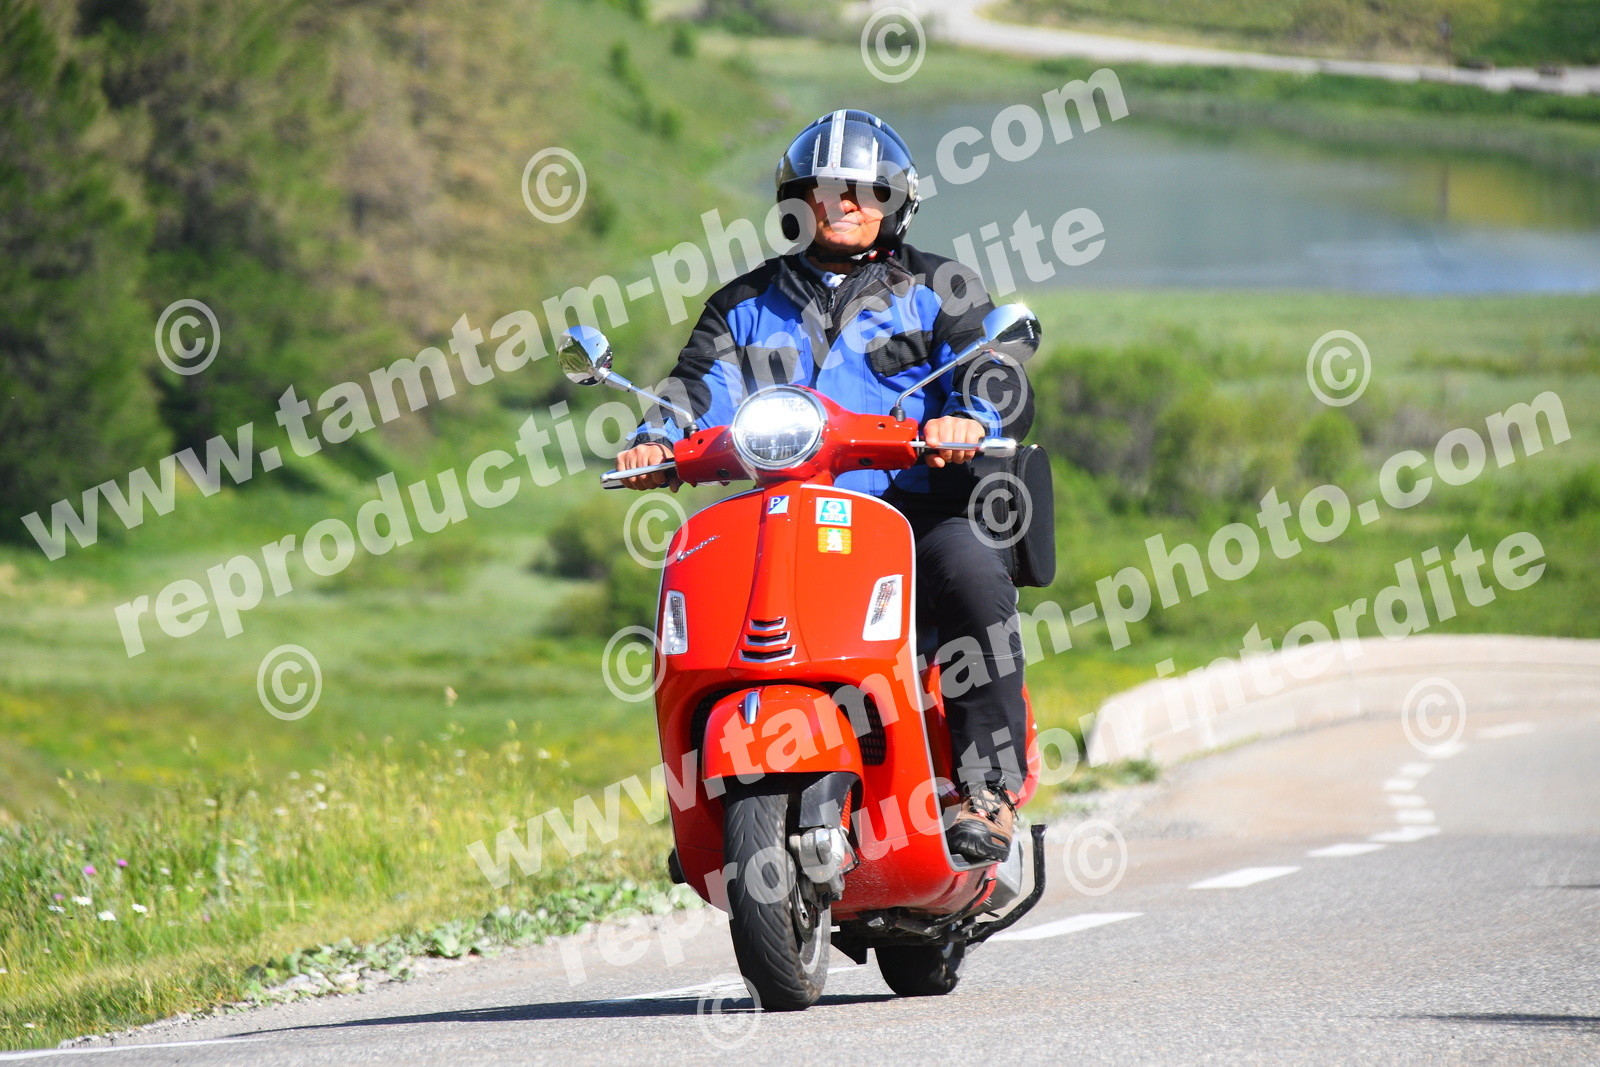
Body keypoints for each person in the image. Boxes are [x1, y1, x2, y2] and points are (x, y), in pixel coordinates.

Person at [615, 109, 1033, 864]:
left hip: (910, 511)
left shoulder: (942, 286)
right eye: (822, 189)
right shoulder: (743, 303)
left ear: (894, 201)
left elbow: (990, 371)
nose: (840, 204)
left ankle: (987, 790)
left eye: (861, 190)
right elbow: (695, 387)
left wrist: (969, 417)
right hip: (783, 513)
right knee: (698, 598)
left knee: (972, 575)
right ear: (795, 202)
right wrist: (657, 439)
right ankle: (703, 806)